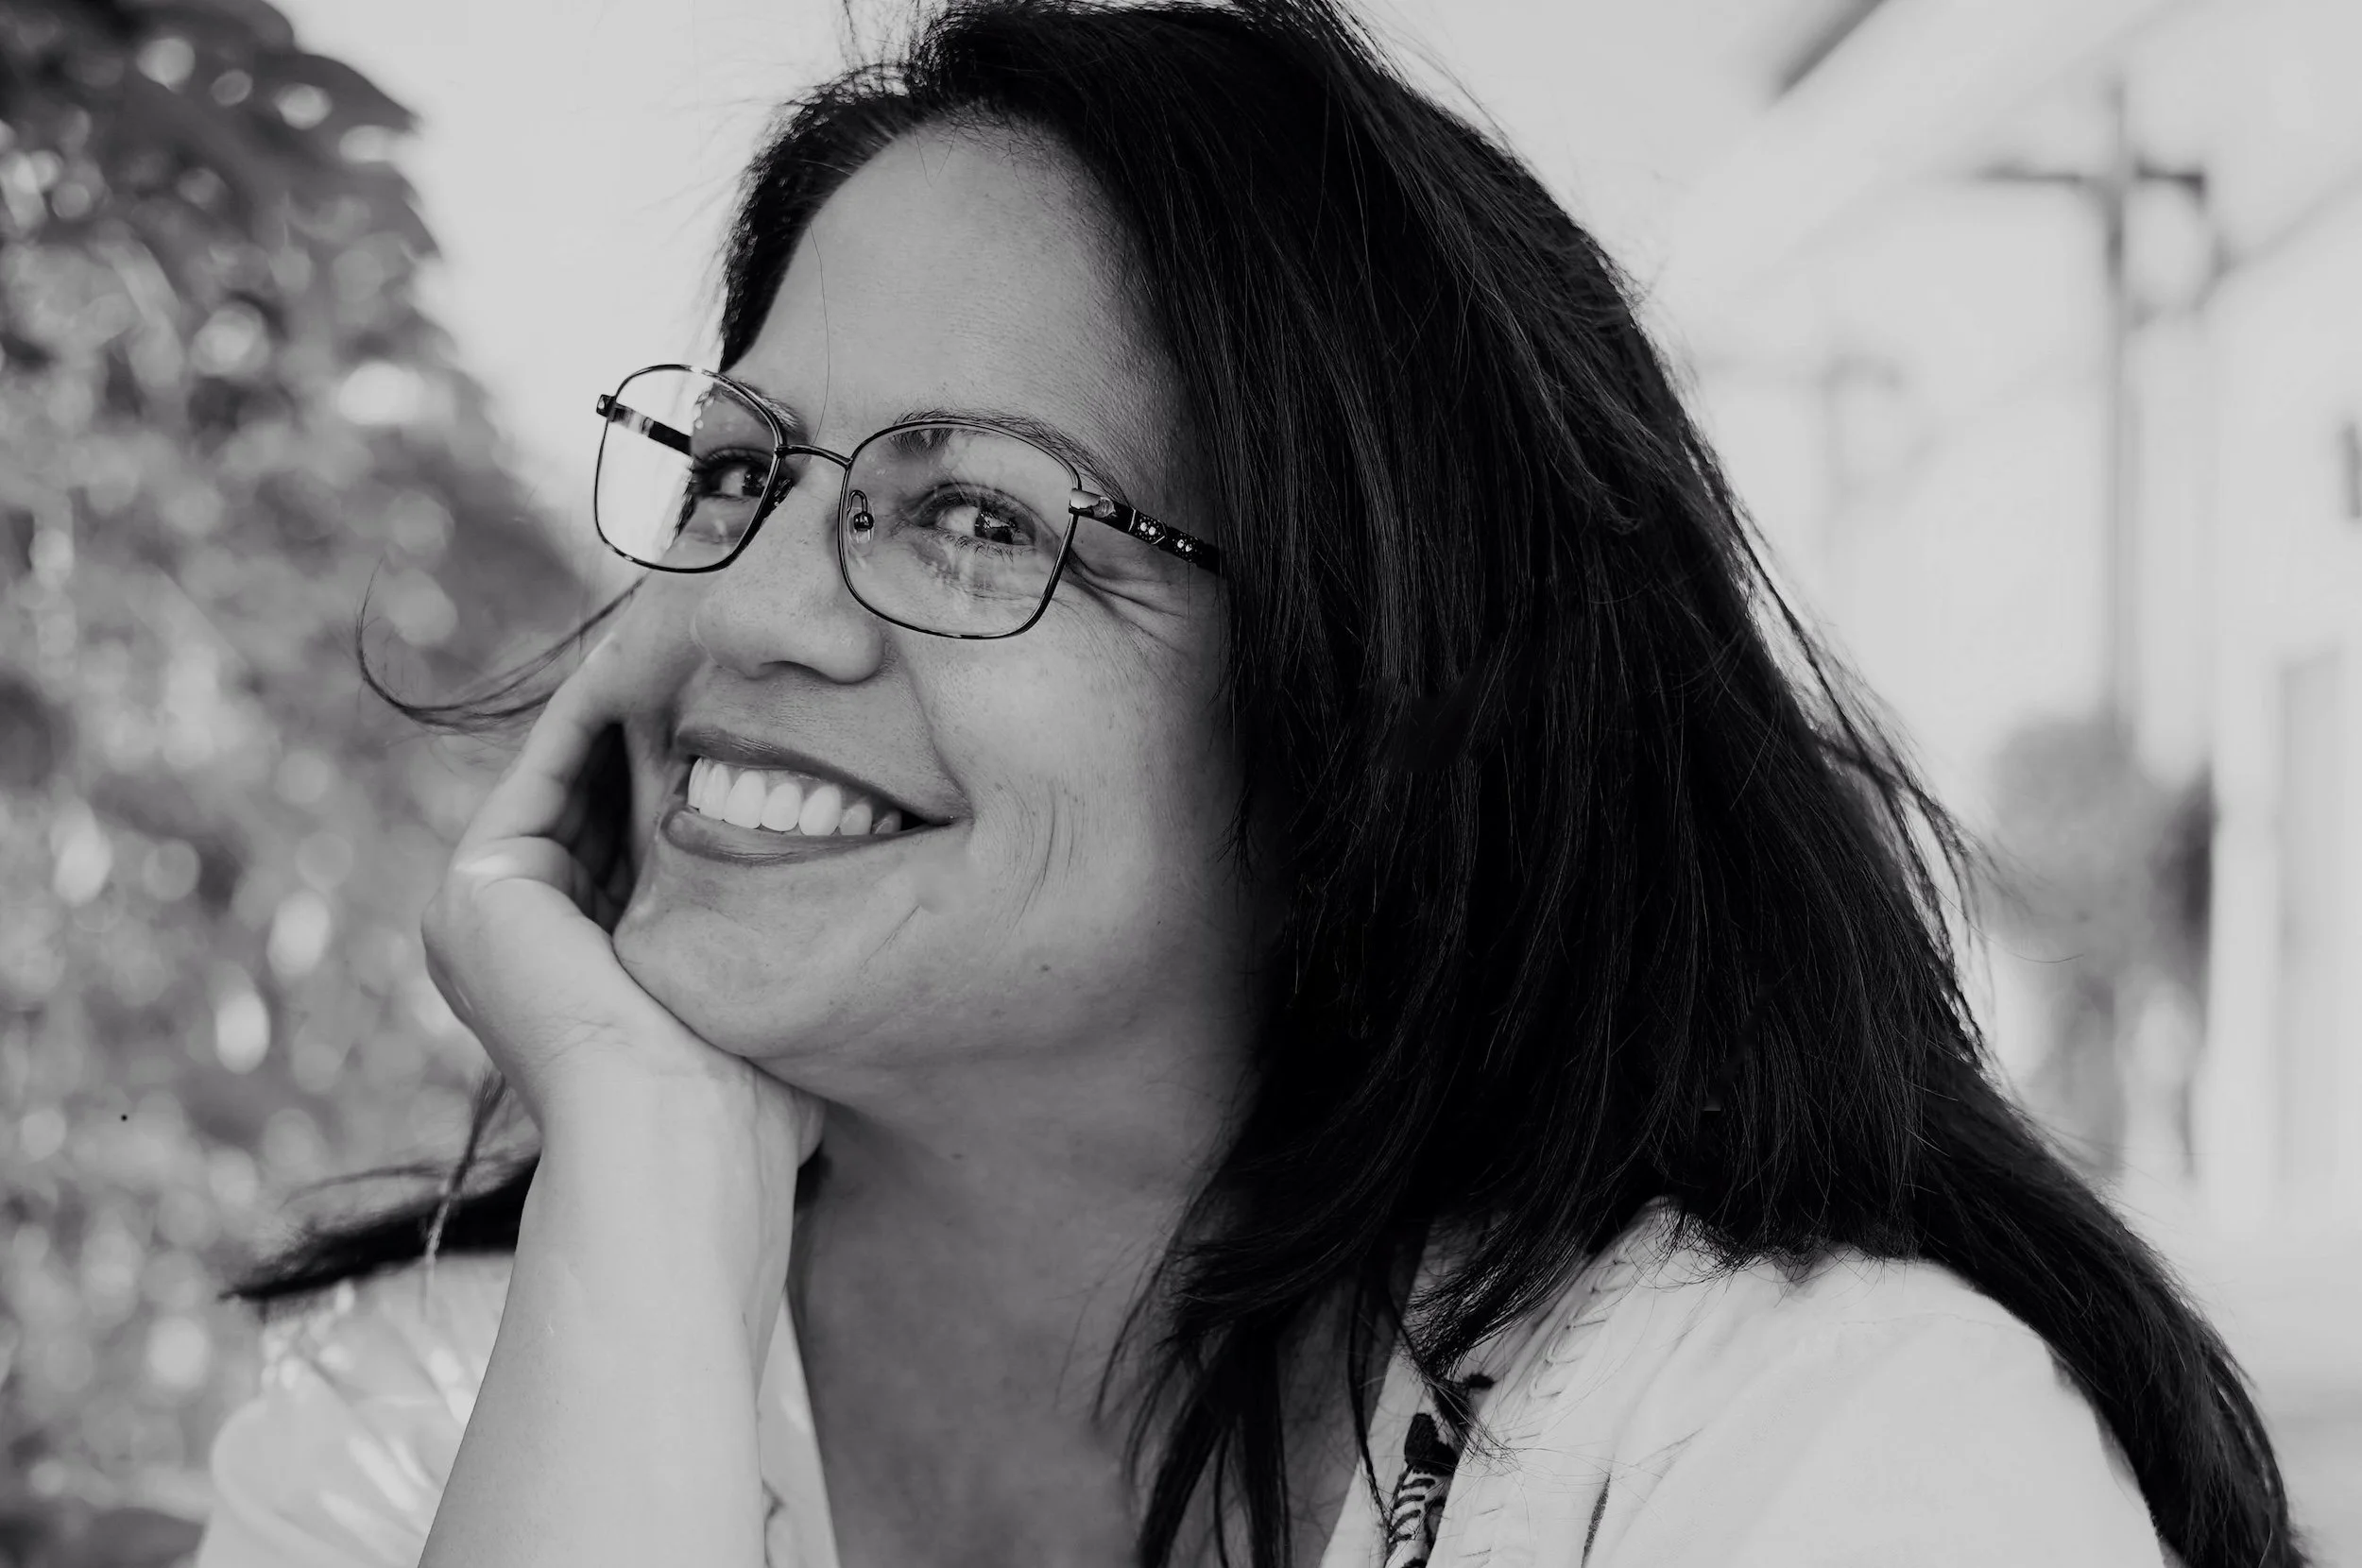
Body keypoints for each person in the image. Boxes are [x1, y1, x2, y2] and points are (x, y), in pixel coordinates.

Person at [192, 2, 2303, 1565]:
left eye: (975, 519)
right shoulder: (447, 1405)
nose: (741, 598)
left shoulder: (1807, 1444)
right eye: (741, 468)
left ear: (1361, 702)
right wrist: (638, 1168)